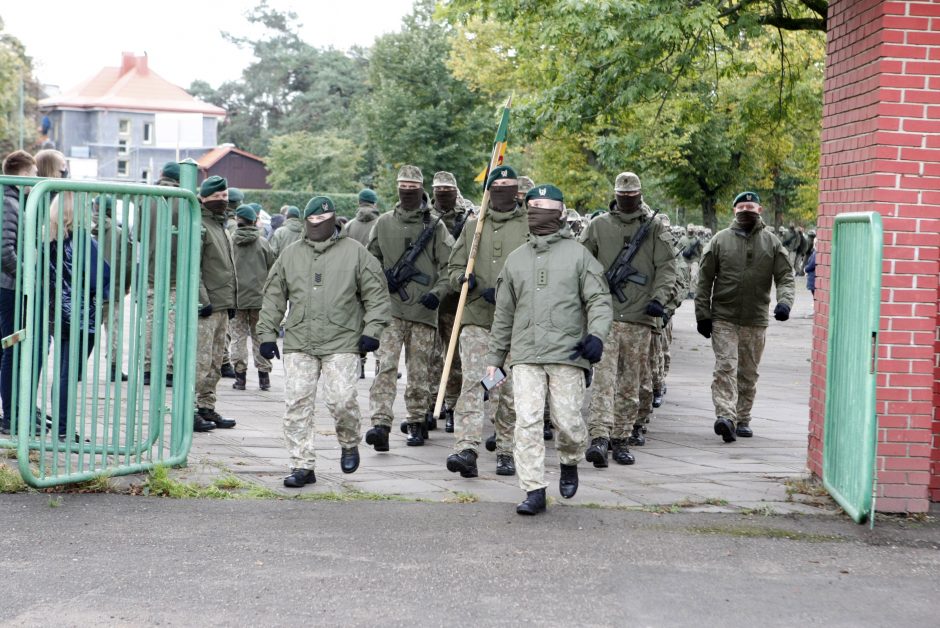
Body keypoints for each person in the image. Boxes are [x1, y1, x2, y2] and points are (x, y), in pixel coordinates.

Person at [485, 183, 612, 515]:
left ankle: (570, 460)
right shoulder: (515, 260)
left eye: (543, 206)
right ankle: (533, 489)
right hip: (525, 354)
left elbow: (599, 299)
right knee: (525, 420)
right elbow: (503, 314)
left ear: (560, 212)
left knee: (567, 420)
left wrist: (597, 335)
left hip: (567, 354)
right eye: (532, 206)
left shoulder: (579, 256)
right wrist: (493, 360)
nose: (536, 212)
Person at [258, 196, 389, 486]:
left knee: (342, 399)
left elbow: (377, 295)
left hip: (342, 338)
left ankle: (349, 441)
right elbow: (273, 297)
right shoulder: (291, 254)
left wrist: (372, 330)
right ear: (305, 221)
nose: (318, 225)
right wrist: (266, 334)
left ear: (334, 220)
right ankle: (301, 464)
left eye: (324, 220)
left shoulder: (355, 253)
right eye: (313, 220)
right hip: (299, 339)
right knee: (297, 404)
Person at [580, 172, 676, 466]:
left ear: (640, 195)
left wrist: (659, 299)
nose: (627, 200)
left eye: (632, 195)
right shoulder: (598, 226)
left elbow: (667, 267)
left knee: (630, 382)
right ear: (615, 196)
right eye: (622, 195)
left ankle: (622, 437)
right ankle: (599, 436)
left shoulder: (654, 228)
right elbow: (580, 263)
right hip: (603, 317)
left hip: (639, 317)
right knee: (604, 381)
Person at [445, 165, 528, 478]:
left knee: (505, 388)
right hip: (477, 318)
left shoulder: (528, 225)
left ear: (517, 190)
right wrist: (462, 279)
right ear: (490, 190)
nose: (503, 190)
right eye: (498, 184)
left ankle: (506, 447)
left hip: (515, 324)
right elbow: (454, 266)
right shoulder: (474, 224)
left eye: (509, 185)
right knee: (474, 380)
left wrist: (510, 290)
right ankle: (466, 447)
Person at [695, 191, 795, 442]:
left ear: (760, 211)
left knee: (748, 372)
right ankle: (725, 416)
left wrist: (785, 302)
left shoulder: (772, 243)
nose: (746, 210)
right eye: (742, 207)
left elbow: (785, 276)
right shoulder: (719, 241)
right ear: (734, 210)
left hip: (755, 318)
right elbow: (704, 279)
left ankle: (742, 418)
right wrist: (702, 314)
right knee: (725, 366)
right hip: (723, 317)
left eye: (751, 206)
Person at [365, 165, 453, 448]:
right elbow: (369, 261)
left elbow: (451, 265)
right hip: (391, 309)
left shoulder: (435, 227)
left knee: (419, 371)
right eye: (403, 187)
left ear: (421, 189)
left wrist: (437, 293)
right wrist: (383, 278)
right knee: (385, 367)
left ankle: (416, 421)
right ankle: (380, 423)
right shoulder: (384, 223)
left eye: (413, 188)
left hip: (424, 312)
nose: (407, 192)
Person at [44, 192, 110, 440]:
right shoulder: (83, 241)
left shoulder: (47, 239)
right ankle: (63, 430)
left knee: (62, 372)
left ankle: (62, 427)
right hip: (83, 316)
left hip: (56, 314)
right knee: (70, 374)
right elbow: (100, 277)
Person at [193, 176, 238, 432]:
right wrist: (202, 300)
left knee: (215, 362)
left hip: (222, 304)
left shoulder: (221, 226)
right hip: (207, 306)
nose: (222, 201)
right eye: (217, 197)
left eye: (224, 196)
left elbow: (228, 268)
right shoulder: (200, 225)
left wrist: (232, 302)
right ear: (205, 198)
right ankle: (189, 411)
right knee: (200, 362)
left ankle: (206, 407)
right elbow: (194, 268)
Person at [0, 150, 37, 435]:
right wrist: (27, 275)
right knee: (11, 349)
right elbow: (5, 251)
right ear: (23, 174)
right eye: (34, 176)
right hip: (9, 287)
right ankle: (11, 416)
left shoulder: (11, 199)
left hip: (8, 285)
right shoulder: (9, 202)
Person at [428, 171, 466, 434]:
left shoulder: (466, 219)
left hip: (454, 299)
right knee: (429, 358)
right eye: (438, 190)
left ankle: (452, 404)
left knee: (453, 357)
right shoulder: (424, 217)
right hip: (428, 298)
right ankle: (430, 403)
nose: (443, 194)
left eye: (448, 189)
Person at [143, 162, 182, 387]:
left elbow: (137, 234)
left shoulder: (146, 197)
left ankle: (147, 368)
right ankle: (169, 370)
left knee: (150, 322)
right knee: (172, 323)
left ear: (161, 175)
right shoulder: (185, 199)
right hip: (177, 271)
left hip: (150, 270)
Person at [230, 204, 275, 391]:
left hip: (236, 297)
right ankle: (264, 377)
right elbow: (273, 269)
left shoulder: (230, 242)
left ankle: (240, 377)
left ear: (238, 220)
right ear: (255, 221)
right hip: (259, 298)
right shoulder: (263, 243)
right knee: (259, 335)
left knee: (238, 336)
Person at [91, 194, 134, 382]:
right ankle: (114, 368)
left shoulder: (82, 228)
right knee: (113, 331)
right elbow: (128, 264)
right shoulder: (119, 233)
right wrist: (125, 286)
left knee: (84, 330)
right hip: (112, 289)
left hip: (87, 291)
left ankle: (74, 366)